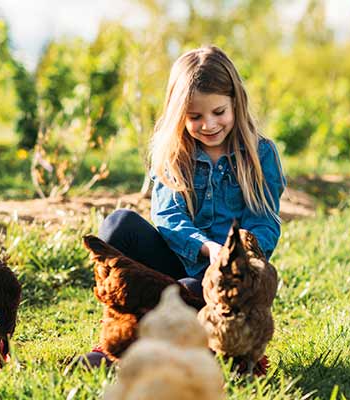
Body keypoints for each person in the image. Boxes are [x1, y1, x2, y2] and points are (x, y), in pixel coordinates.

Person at [82, 45, 286, 368]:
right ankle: (115, 339)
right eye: (195, 117)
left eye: (219, 112)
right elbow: (167, 216)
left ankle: (170, 347)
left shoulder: (260, 154)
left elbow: (264, 220)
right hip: (177, 259)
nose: (209, 125)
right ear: (180, 116)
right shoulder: (174, 152)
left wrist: (236, 255)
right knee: (117, 226)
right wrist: (206, 246)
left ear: (236, 102)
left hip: (220, 280)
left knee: (188, 290)